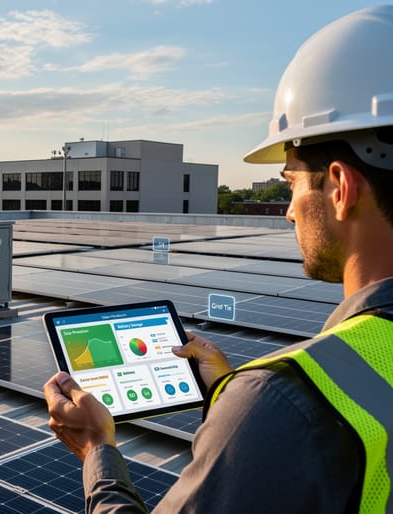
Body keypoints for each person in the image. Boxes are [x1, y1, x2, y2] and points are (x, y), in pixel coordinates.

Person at [43, 6, 393, 513]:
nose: (289, 211)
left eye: (291, 183)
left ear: (340, 187)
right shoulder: (291, 397)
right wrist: (227, 392)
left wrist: (98, 450)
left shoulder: (287, 397)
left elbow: (298, 431)